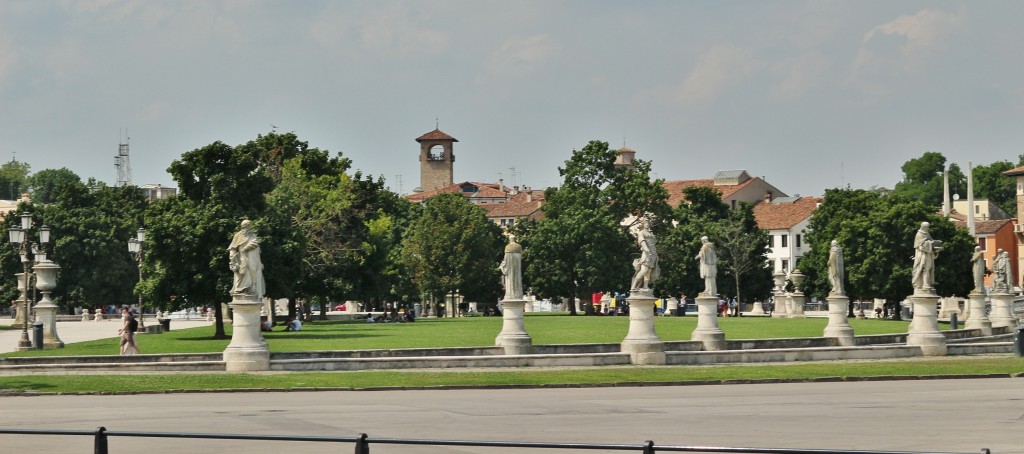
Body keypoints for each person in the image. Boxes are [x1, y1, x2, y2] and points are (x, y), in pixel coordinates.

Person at [227, 219, 265, 299]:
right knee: (242, 272)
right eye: (248, 225)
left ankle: (251, 288)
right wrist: (232, 258)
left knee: (252, 270)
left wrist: (245, 249)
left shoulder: (252, 235)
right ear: (244, 226)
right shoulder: (237, 235)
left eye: (249, 225)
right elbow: (233, 248)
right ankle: (240, 289)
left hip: (251, 257)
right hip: (240, 257)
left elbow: (254, 243)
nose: (249, 226)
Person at [630, 218, 660, 291]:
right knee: (643, 270)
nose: (647, 224)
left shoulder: (651, 233)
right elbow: (642, 242)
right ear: (643, 224)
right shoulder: (641, 232)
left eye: (648, 223)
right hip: (647, 254)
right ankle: (633, 286)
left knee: (648, 271)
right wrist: (646, 250)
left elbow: (653, 243)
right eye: (645, 223)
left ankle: (645, 286)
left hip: (653, 254)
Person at [911, 222, 939, 293]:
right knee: (923, 268)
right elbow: (919, 246)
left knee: (928, 268)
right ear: (923, 227)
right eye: (926, 227)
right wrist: (929, 243)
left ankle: (927, 284)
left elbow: (931, 241)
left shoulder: (927, 233)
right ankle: (924, 284)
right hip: (922, 255)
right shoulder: (919, 234)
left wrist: (935, 245)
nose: (927, 229)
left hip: (928, 254)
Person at [500, 234, 524, 300]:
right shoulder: (519, 247)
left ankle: (510, 294)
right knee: (517, 278)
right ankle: (517, 294)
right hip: (517, 268)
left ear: (510, 239)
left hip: (510, 269)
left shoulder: (507, 247)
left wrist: (502, 265)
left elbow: (506, 259)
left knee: (510, 279)